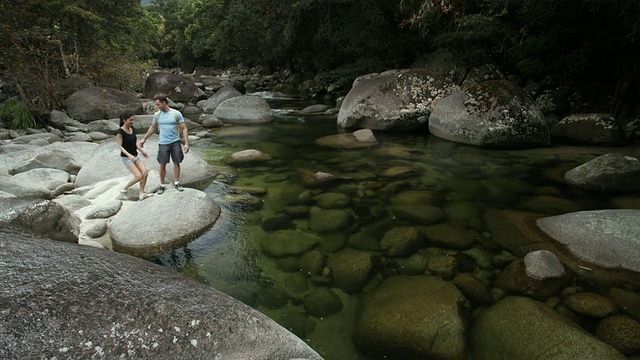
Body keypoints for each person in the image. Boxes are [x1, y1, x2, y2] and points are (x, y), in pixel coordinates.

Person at [138, 94, 189, 194]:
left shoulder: (176, 114)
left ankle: (177, 183)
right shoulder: (157, 115)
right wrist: (144, 139)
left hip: (175, 142)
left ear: (165, 102)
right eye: (156, 105)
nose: (158, 107)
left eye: (159, 104)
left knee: (176, 162)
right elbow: (153, 128)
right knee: (162, 164)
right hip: (163, 143)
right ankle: (161, 185)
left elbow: (184, 128)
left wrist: (186, 143)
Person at [116, 111, 153, 201]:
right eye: (130, 120)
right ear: (124, 120)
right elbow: (120, 147)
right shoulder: (120, 132)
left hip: (135, 155)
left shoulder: (132, 129)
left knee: (145, 173)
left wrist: (142, 151)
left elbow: (134, 143)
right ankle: (124, 189)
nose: (132, 122)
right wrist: (129, 156)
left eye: (133, 120)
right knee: (138, 176)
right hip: (127, 158)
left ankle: (141, 193)